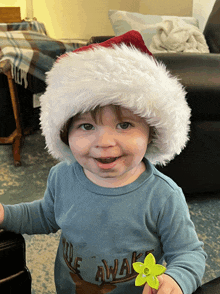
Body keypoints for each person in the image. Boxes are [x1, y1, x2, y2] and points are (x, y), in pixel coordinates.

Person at [0, 30, 207, 294]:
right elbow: (46, 215)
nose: (105, 141)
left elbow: (189, 254)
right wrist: (5, 214)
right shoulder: (62, 176)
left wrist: (177, 280)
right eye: (86, 126)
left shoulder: (163, 196)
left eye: (124, 124)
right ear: (65, 133)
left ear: (152, 131)